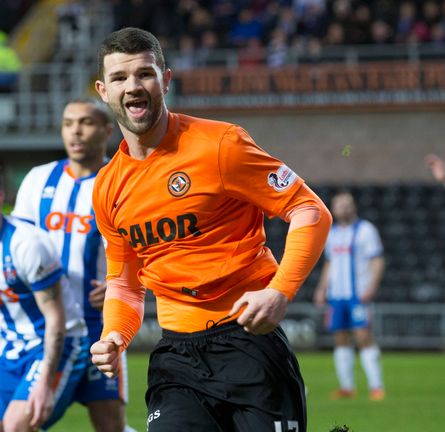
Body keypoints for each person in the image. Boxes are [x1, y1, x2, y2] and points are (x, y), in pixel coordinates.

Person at [88, 27, 332, 432]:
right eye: (119, 78)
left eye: (144, 74)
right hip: (175, 359)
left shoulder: (221, 144)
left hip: (249, 345)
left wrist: (280, 291)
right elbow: (125, 282)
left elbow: (310, 210)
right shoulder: (107, 186)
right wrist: (114, 335)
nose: (133, 87)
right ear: (103, 90)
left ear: (165, 79)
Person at [12, 98, 134, 432]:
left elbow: (144, 248)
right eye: (68, 123)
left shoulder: (122, 181)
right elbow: (17, 245)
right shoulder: (38, 179)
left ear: (107, 131)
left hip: (99, 325)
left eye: (85, 122)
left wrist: (120, 283)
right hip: (49, 328)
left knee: (110, 423)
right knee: (23, 420)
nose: (75, 131)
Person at [0, 160, 89, 432]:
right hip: (10, 352)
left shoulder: (27, 245)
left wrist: (45, 383)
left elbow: (55, 318)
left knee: (16, 425)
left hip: (62, 344)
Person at [313, 191, 386, 401]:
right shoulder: (331, 233)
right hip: (337, 295)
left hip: (359, 295)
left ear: (354, 207)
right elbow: (329, 263)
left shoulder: (366, 230)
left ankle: (376, 386)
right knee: (340, 338)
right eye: (339, 205)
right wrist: (321, 289)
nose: (343, 208)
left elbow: (378, 260)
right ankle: (347, 387)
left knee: (364, 337)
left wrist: (372, 286)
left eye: (347, 204)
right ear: (333, 209)